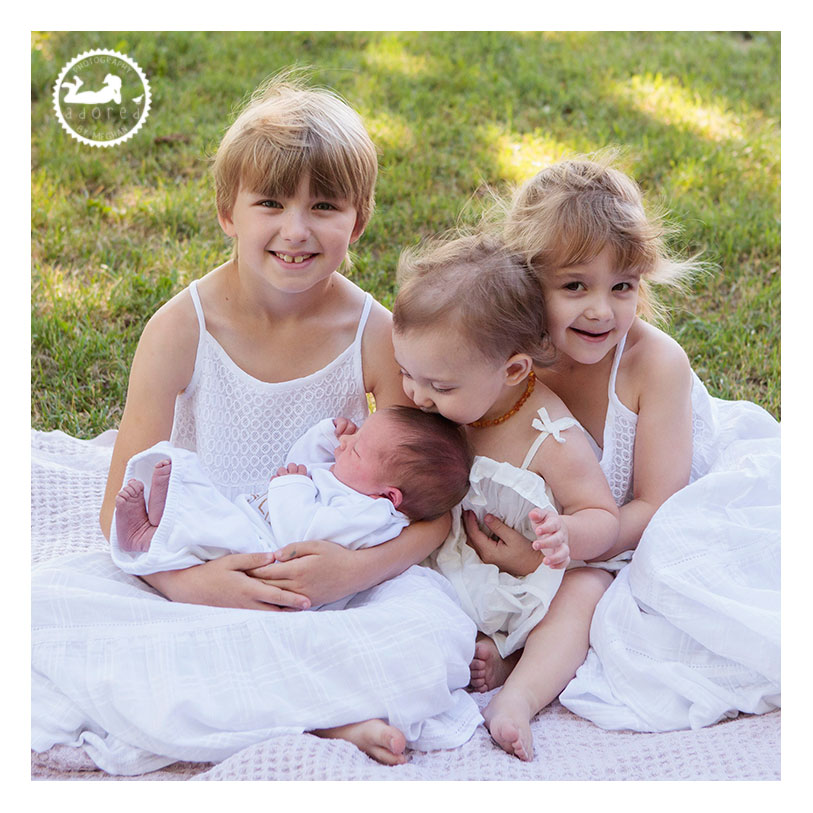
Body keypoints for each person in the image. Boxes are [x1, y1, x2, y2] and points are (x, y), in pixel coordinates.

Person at [31, 73, 482, 775]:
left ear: (357, 220)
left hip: (333, 565)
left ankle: (298, 708)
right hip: (203, 551)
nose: (295, 230)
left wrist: (349, 571)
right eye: (270, 202)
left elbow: (430, 509)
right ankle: (332, 717)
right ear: (227, 211)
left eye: (324, 206)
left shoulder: (373, 332)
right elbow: (119, 506)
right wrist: (191, 583)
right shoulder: (180, 328)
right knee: (42, 614)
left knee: (428, 634)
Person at [495, 154, 780, 732]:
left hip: (662, 513)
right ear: (527, 282)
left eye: (622, 286)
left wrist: (570, 546)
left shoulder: (654, 366)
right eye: (575, 286)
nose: (601, 310)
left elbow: (658, 509)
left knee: (655, 590)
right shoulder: (510, 362)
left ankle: (519, 681)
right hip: (573, 533)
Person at [391, 232, 620, 761]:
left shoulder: (550, 435)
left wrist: (567, 535)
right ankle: (486, 656)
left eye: (439, 387)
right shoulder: (439, 400)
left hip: (531, 584)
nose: (416, 395)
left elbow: (602, 516)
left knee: (587, 591)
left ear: (513, 370)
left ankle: (517, 694)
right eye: (406, 373)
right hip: (442, 571)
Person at [111, 408, 471, 602]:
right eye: (355, 434)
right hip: (253, 522)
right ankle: (166, 515)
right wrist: (323, 437)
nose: (346, 443)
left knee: (213, 528)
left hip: (263, 551)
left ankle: (149, 537)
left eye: (356, 447)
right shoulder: (356, 485)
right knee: (205, 502)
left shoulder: (372, 516)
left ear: (390, 496)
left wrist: (290, 484)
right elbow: (305, 466)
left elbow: (302, 531)